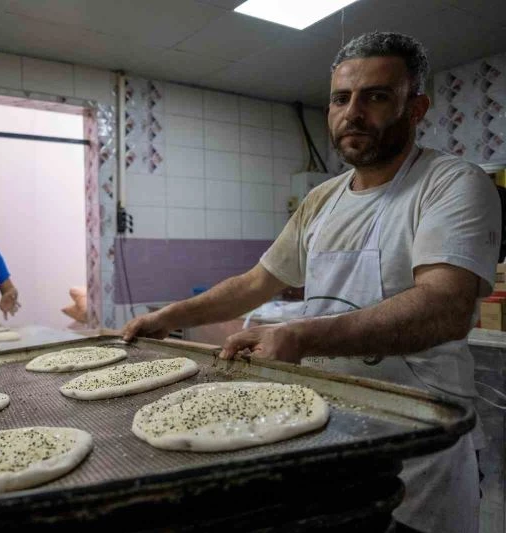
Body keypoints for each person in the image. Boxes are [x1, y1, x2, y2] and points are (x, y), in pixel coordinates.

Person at [122, 32, 500, 533]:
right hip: (328, 429)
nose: (353, 113)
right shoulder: (323, 199)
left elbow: (444, 306)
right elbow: (257, 282)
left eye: (376, 96)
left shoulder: (451, 183)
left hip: (421, 440)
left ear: (416, 108)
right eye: (341, 99)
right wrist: (170, 316)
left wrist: (301, 336)